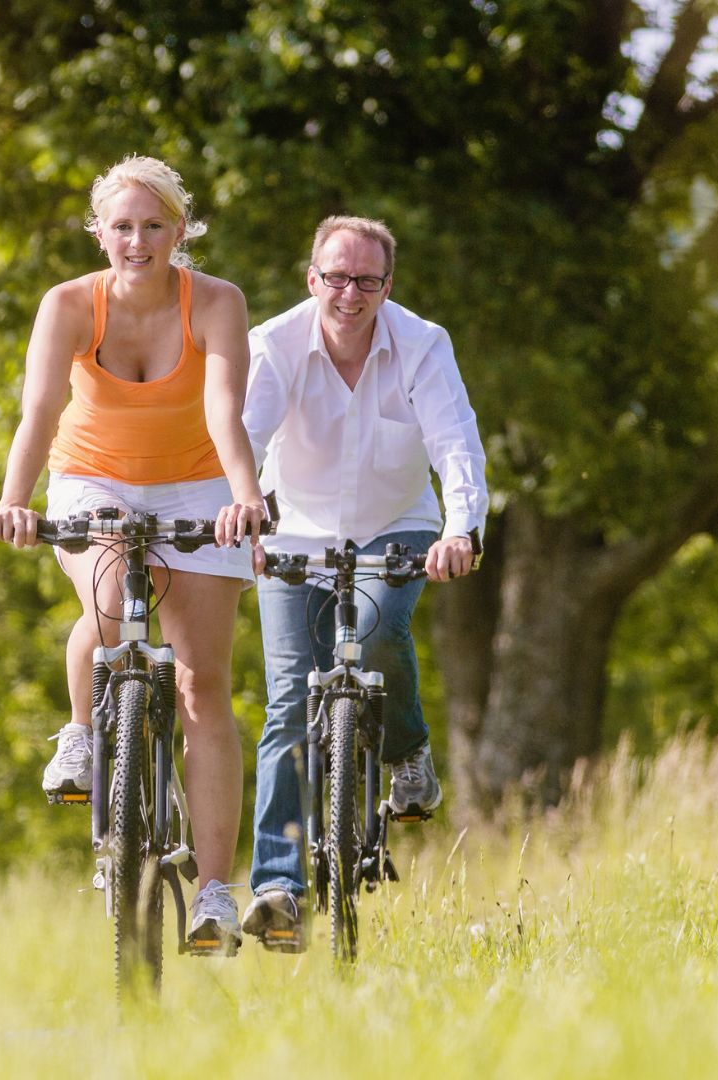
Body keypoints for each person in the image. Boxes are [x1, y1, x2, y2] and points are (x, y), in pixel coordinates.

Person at [0, 156, 266, 953]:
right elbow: (39, 408)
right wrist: (14, 498)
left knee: (202, 681)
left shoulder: (215, 303)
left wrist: (244, 497)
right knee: (107, 600)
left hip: (194, 483)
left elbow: (224, 412)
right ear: (99, 231)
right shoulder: (70, 304)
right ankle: (81, 732)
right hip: (92, 474)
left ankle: (214, 889)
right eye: (122, 226)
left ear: (181, 230)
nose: (137, 241)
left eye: (154, 226)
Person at [238, 215, 489, 950]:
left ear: (388, 286)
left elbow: (456, 445)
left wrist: (460, 530)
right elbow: (244, 441)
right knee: (288, 700)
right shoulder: (274, 345)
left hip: (398, 529)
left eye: (367, 281)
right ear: (311, 278)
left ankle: (407, 750)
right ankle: (278, 884)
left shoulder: (422, 344)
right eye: (336, 277)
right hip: (292, 536)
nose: (350, 293)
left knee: (380, 629)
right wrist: (242, 519)